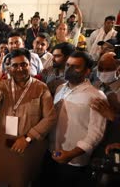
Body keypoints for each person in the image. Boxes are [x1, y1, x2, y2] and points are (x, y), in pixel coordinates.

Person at [0, 48, 56, 187]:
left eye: (24, 64)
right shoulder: (3, 85)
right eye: (15, 65)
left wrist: (28, 138)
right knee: (1, 180)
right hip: (3, 145)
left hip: (28, 146)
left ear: (30, 65)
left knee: (22, 181)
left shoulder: (41, 88)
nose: (20, 68)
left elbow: (50, 118)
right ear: (9, 68)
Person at [44, 51, 107, 187]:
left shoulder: (96, 96)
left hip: (74, 160)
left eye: (76, 67)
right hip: (51, 152)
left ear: (87, 71)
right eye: (68, 65)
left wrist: (72, 153)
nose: (69, 69)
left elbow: (96, 133)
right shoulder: (61, 88)